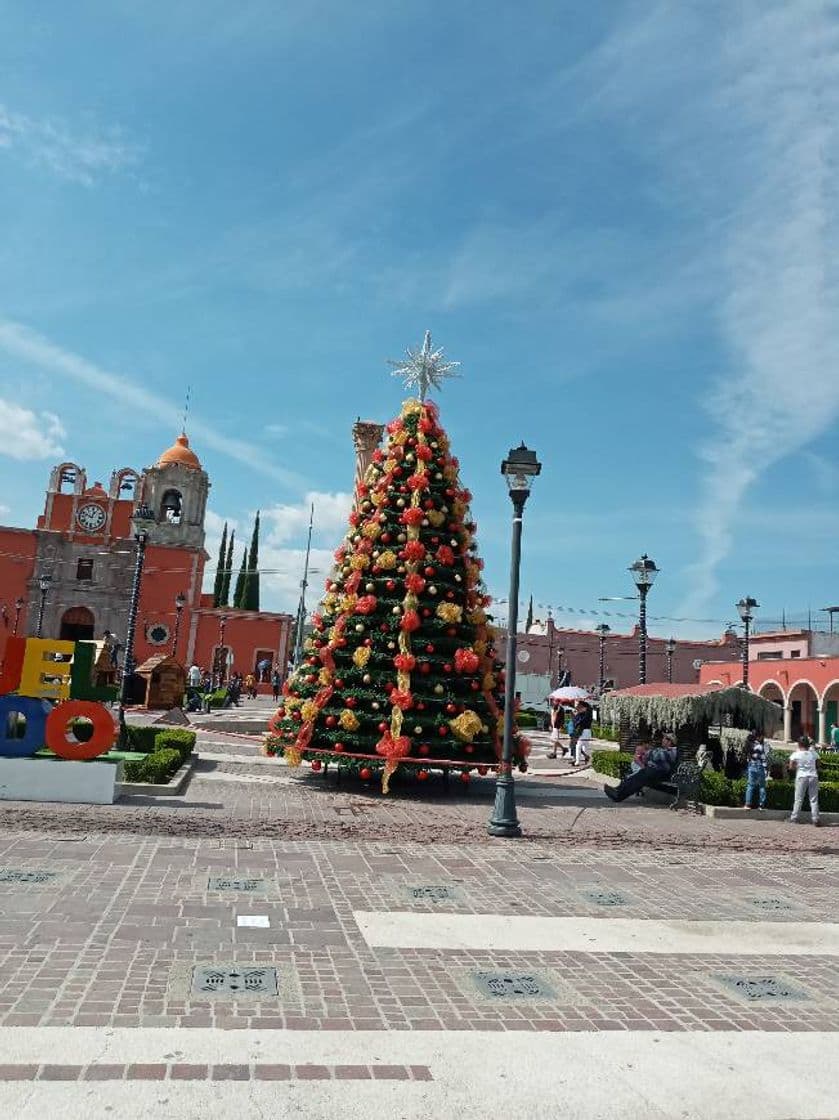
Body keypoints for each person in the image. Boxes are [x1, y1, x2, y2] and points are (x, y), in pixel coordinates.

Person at [604, 733, 678, 801]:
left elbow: (656, 756)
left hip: (660, 774)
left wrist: (649, 753)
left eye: (664, 739)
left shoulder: (673, 751)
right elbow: (651, 756)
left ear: (669, 742)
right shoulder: (662, 750)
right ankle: (618, 790)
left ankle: (619, 796)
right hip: (653, 771)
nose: (662, 740)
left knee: (639, 779)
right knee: (636, 776)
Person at [788, 735, 820, 826]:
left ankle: (794, 818)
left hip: (801, 776)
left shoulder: (796, 754)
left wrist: (797, 766)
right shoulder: (813, 753)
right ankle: (815, 819)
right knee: (813, 799)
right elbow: (818, 764)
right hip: (813, 776)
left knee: (798, 799)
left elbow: (791, 767)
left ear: (799, 744)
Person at [743, 731, 771, 811]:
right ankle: (761, 805)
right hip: (759, 766)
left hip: (751, 766)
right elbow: (763, 758)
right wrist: (766, 769)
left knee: (750, 785)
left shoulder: (749, 744)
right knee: (762, 786)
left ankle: (748, 804)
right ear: (759, 736)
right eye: (762, 736)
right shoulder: (759, 746)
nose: (763, 738)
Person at [571, 700, 593, 766]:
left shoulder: (585, 715)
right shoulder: (587, 713)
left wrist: (576, 715)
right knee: (585, 746)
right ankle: (586, 759)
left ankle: (578, 761)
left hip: (583, 732)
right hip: (587, 732)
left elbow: (578, 723)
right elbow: (575, 722)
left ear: (584, 707)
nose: (578, 708)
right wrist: (576, 715)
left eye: (580, 707)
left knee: (579, 746)